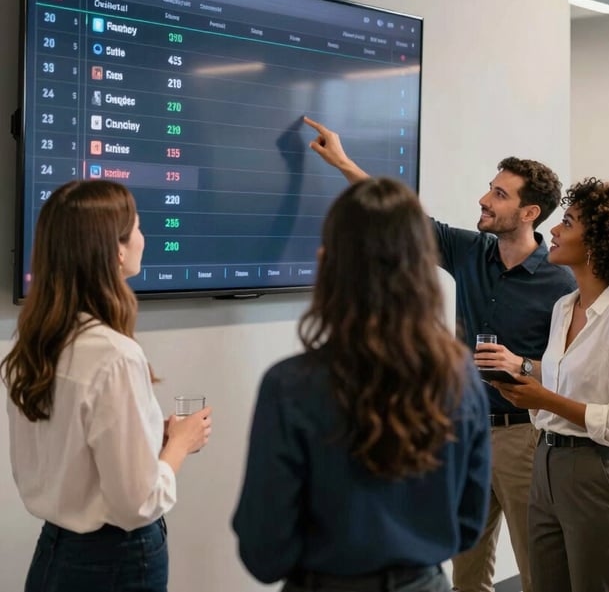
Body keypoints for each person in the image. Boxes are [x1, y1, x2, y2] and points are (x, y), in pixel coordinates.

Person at [302, 116, 575, 592]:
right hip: (464, 430)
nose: (484, 200)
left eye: (499, 195)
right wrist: (343, 162)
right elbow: (402, 220)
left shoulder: (560, 280)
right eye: (489, 189)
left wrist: (522, 365)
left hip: (523, 437)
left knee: (537, 569)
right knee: (466, 567)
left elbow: (570, 368)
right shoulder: (471, 251)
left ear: (530, 213)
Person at [232, 177, 491, 592]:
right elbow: (467, 524)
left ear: (328, 262)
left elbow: (265, 552)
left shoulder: (289, 386)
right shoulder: (460, 375)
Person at [1, 180, 212, 592]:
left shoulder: (30, 343)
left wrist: (150, 437)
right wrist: (177, 447)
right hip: (118, 561)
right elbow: (137, 503)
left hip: (54, 551)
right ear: (116, 250)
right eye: (136, 228)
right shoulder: (116, 356)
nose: (142, 238)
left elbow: (74, 451)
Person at [488, 178, 609, 592]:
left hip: (594, 469)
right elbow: (561, 375)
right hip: (544, 459)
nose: (554, 231)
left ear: (598, 242)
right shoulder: (565, 307)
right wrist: (519, 376)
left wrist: (543, 398)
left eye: (567, 222)